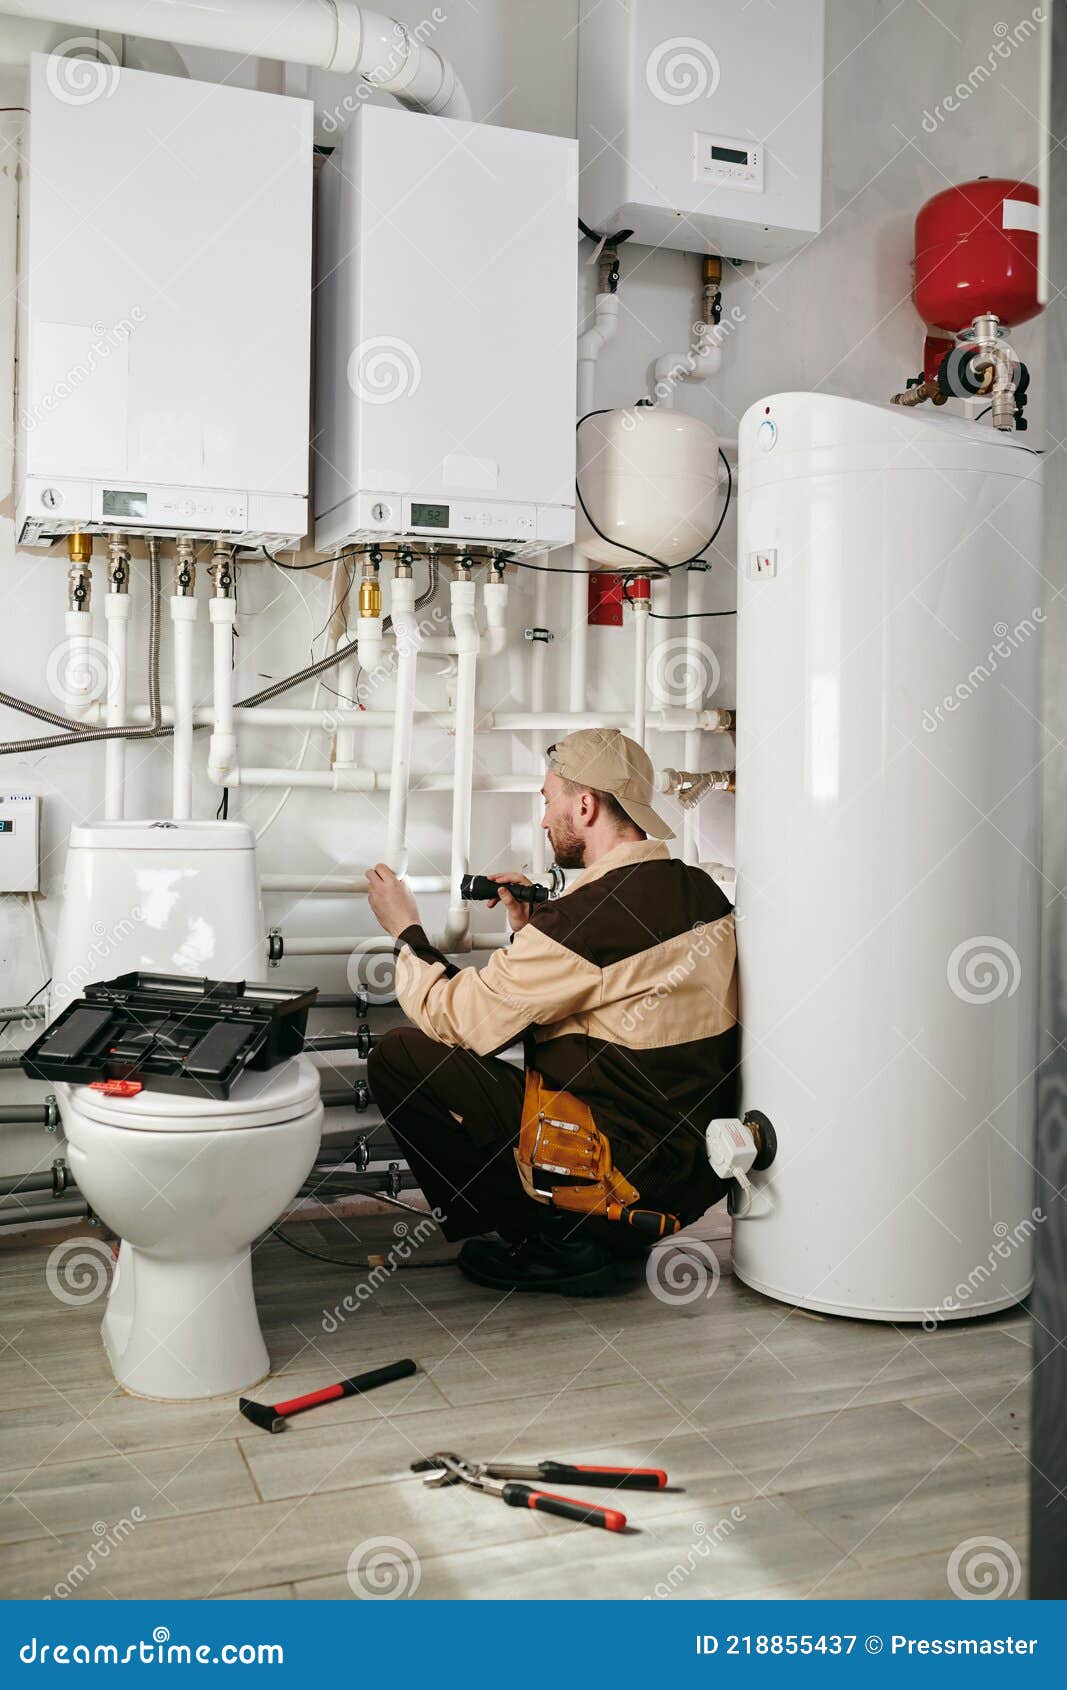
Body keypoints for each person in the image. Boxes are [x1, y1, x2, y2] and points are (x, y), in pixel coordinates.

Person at [365, 727, 738, 1296]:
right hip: (690, 1175)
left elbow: (460, 1020)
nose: (543, 820)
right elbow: (609, 978)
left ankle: (552, 1242)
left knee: (401, 1056)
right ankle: (599, 1236)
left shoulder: (583, 924)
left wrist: (405, 931)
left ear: (584, 805)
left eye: (548, 799)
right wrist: (535, 928)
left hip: (620, 1172)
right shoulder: (701, 891)